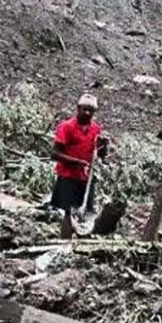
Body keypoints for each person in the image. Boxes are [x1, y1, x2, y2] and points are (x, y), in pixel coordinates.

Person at [50, 93, 108, 239]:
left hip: (86, 178)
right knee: (66, 212)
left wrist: (104, 146)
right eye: (84, 109)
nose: (87, 113)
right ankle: (64, 242)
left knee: (86, 213)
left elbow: (100, 156)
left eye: (91, 111)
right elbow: (55, 154)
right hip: (67, 176)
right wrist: (75, 162)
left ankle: (81, 243)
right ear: (78, 108)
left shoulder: (96, 129)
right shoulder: (66, 126)